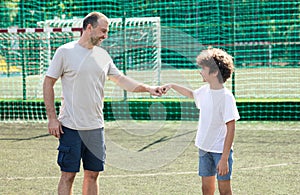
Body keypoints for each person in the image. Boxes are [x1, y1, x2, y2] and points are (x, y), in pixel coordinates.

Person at [43, 12, 162, 195]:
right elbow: (48, 83)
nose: (105, 36)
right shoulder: (65, 51)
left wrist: (148, 88)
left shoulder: (103, 56)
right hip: (70, 126)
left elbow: (121, 80)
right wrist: (52, 118)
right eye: (103, 31)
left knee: (93, 174)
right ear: (89, 27)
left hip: (96, 127)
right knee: (68, 175)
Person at [162, 48, 240, 195]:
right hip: (204, 149)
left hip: (220, 152)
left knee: (224, 190)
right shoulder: (204, 91)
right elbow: (191, 94)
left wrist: (224, 158)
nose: (200, 71)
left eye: (203, 68)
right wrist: (172, 85)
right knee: (206, 189)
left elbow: (231, 128)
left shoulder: (226, 97)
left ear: (215, 72)